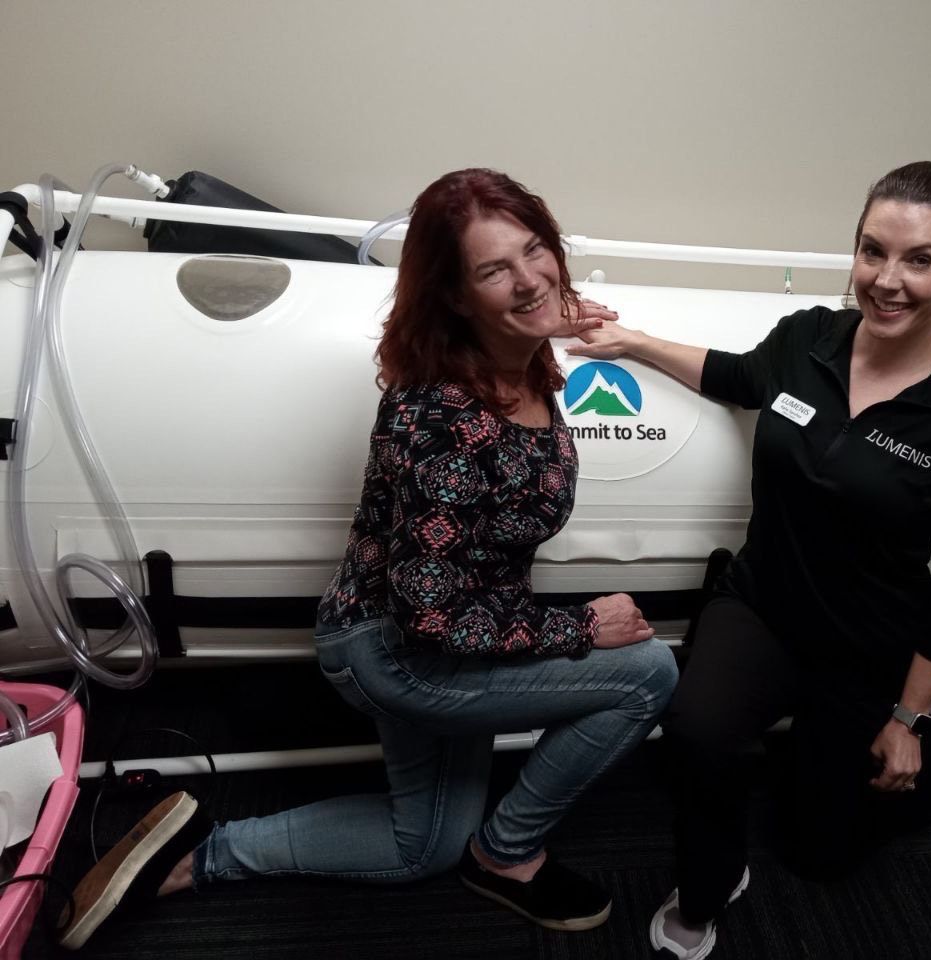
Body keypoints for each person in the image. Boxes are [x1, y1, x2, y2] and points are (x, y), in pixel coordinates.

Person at [58, 168, 679, 950]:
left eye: (535, 252)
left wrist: (548, 315)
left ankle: (195, 857)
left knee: (419, 847)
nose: (529, 278)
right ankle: (508, 854)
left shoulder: (519, 360)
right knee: (649, 674)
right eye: (494, 269)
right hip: (407, 653)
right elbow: (430, 614)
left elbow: (533, 318)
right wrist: (578, 626)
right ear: (455, 296)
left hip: (457, 636)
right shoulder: (442, 418)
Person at [566, 160, 931, 959]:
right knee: (697, 736)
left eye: (920, 260)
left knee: (819, 858)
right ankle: (710, 881)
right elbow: (736, 376)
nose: (887, 280)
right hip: (763, 603)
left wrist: (906, 718)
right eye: (872, 251)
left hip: (867, 643)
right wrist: (630, 339)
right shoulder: (807, 338)